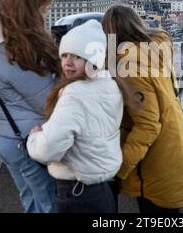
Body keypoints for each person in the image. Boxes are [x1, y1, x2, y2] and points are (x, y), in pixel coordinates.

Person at [102, 5, 183, 213]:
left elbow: (148, 126)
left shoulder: (130, 67)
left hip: (153, 166)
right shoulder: (155, 52)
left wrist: (119, 168)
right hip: (173, 151)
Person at [26, 20, 126, 213]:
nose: (68, 63)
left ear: (92, 61)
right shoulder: (110, 85)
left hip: (77, 192)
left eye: (77, 56)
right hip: (103, 190)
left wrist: (35, 137)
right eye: (64, 55)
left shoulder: (75, 93)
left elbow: (48, 149)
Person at [0, 0, 59, 213]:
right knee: (48, 203)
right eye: (41, 9)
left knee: (31, 199)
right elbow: (46, 101)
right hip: (25, 138)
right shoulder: (13, 51)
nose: (44, 15)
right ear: (29, 9)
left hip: (4, 133)